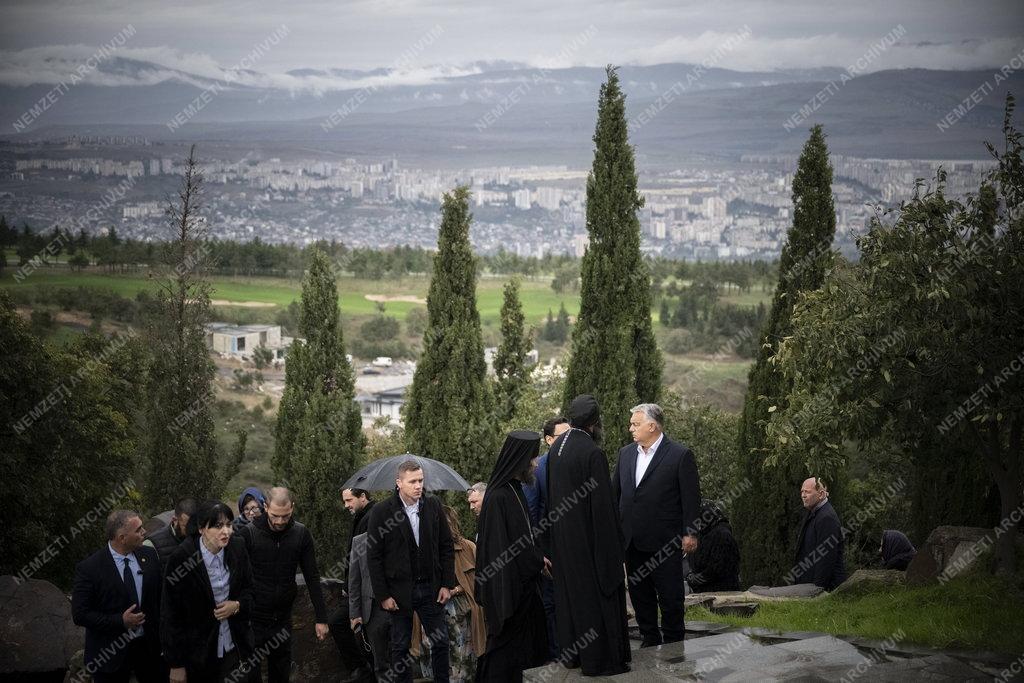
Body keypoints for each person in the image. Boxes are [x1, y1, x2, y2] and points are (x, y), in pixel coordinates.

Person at [544, 395, 630, 676]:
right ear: (594, 423)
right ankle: (600, 660)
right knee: (595, 602)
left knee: (572, 601)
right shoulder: (592, 453)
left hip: (564, 543)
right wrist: (613, 550)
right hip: (590, 545)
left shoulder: (556, 450)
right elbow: (602, 508)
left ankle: (576, 655)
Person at [611, 403, 701, 647]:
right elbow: (615, 494)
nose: (631, 428)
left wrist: (690, 532)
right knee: (640, 595)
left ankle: (673, 643)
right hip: (632, 541)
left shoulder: (680, 455)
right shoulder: (626, 453)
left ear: (652, 426)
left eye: (635, 424)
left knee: (671, 597)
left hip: (665, 541)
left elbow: (691, 498)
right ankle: (649, 639)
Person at [366, 460, 456, 683]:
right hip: (399, 591)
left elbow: (446, 545)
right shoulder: (381, 511)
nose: (418, 485)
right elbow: (373, 557)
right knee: (400, 646)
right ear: (399, 483)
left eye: (421, 480)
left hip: (431, 587)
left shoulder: (433, 505)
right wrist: (383, 595)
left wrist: (446, 583)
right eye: (413, 481)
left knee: (441, 641)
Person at [475, 430, 550, 681]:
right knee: (504, 655)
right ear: (520, 459)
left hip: (525, 587)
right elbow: (503, 548)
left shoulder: (513, 489)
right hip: (508, 590)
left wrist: (538, 558)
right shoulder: (498, 497)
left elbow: (523, 538)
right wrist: (536, 560)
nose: (535, 463)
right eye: (532, 458)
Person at [238, 487, 329, 682]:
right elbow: (238, 578)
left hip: (282, 618)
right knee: (250, 674)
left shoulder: (300, 534)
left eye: (285, 516)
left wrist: (321, 618)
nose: (280, 521)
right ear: (265, 507)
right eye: (275, 516)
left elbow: (312, 576)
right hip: (253, 619)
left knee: (280, 673)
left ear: (292, 508)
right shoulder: (248, 534)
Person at [161, 500, 256, 682]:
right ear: (201, 528)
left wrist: (237, 605)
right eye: (218, 526)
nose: (226, 531)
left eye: (229, 525)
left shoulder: (238, 547)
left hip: (235, 647)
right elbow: (170, 615)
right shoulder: (182, 558)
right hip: (200, 655)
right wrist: (175, 664)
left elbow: (251, 590)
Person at [72, 509, 165, 683]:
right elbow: (80, 614)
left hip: (150, 652)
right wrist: (119, 621)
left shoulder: (150, 555)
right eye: (138, 530)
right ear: (122, 538)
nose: (144, 532)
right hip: (109, 657)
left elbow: (161, 599)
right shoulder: (89, 568)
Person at [412, 505, 486, 681]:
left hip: (461, 612)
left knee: (462, 660)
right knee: (433, 655)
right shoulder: (419, 550)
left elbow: (481, 579)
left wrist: (456, 589)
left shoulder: (468, 547)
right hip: (430, 611)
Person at [519, 415, 568, 660]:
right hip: (549, 554)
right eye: (562, 436)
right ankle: (556, 655)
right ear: (549, 440)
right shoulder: (538, 469)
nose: (568, 440)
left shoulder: (577, 461)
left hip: (575, 552)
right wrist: (540, 555)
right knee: (552, 605)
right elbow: (531, 514)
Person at [333, 487, 378, 682]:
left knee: (340, 623)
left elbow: (364, 560)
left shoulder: (370, 518)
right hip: (356, 587)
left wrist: (352, 588)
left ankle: (363, 669)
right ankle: (364, 669)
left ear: (363, 497)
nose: (346, 505)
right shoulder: (361, 516)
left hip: (364, 590)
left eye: (349, 500)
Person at [349, 528, 391, 681]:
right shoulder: (359, 541)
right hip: (372, 610)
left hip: (401, 607)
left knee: (404, 658)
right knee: (380, 662)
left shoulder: (403, 535)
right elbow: (354, 580)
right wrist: (355, 614)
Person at [791, 477, 848, 590]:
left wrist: (817, 590)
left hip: (824, 589)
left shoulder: (826, 518)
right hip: (809, 584)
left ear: (821, 494)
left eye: (807, 492)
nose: (803, 495)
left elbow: (826, 559)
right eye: (802, 491)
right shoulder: (814, 512)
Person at [685, 500, 741, 594]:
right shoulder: (702, 534)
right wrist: (690, 574)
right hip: (702, 590)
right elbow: (690, 557)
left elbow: (720, 567)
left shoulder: (722, 535)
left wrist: (698, 578)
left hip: (723, 591)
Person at [144, 497, 196, 568]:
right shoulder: (152, 545)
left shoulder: (201, 537)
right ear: (175, 520)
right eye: (187, 527)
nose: (192, 530)